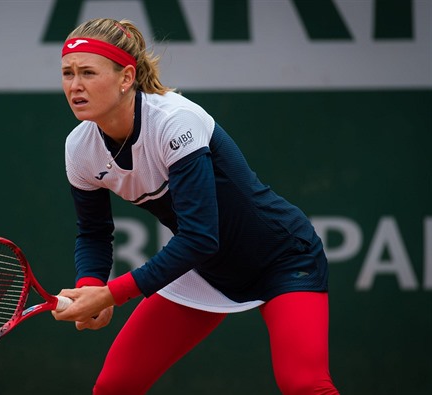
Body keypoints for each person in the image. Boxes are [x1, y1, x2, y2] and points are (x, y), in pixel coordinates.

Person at [53, 18, 339, 395]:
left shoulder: (175, 121)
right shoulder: (80, 148)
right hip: (207, 272)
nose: (75, 86)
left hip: (283, 260)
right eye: (68, 73)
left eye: (88, 73)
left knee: (304, 385)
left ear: (126, 78)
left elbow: (201, 237)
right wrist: (89, 289)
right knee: (115, 387)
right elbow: (93, 232)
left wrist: (111, 293)